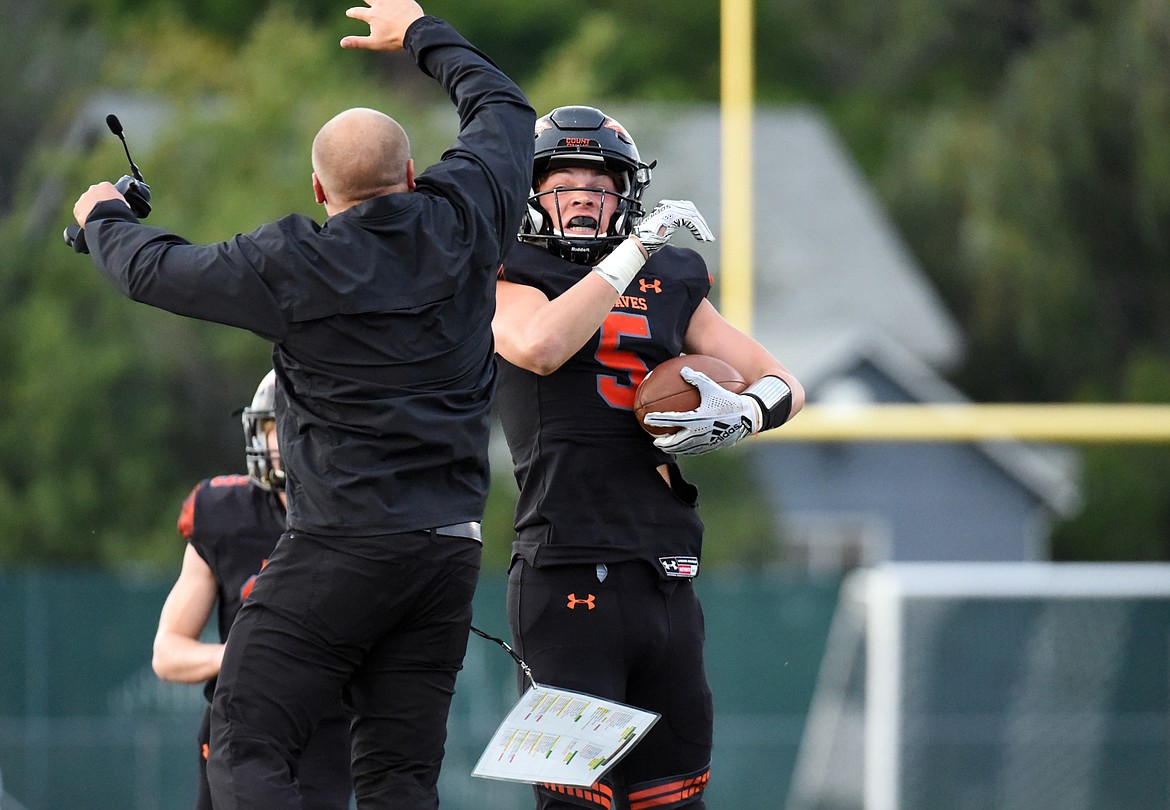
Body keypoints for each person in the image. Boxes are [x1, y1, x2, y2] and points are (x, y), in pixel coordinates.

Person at [70, 0, 535, 805]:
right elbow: (504, 111)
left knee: (246, 744)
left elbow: (156, 271)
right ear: (415, 173)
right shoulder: (468, 214)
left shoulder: (294, 264)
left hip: (343, 543)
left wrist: (102, 216)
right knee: (398, 778)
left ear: (318, 187)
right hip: (448, 550)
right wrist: (421, 30)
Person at [492, 105, 805, 810]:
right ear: (531, 192)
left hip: (666, 578)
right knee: (575, 804)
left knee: (674, 803)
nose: (581, 196)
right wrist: (630, 250)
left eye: (599, 183)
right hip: (566, 570)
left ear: (625, 192)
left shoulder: (672, 277)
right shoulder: (507, 270)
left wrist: (745, 413)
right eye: (562, 181)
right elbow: (541, 346)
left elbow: (785, 380)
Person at [151, 370, 352, 810]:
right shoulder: (226, 516)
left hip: (325, 729)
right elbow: (167, 653)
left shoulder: (360, 519)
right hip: (238, 722)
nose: (283, 441)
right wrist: (246, 654)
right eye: (273, 426)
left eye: (294, 424)